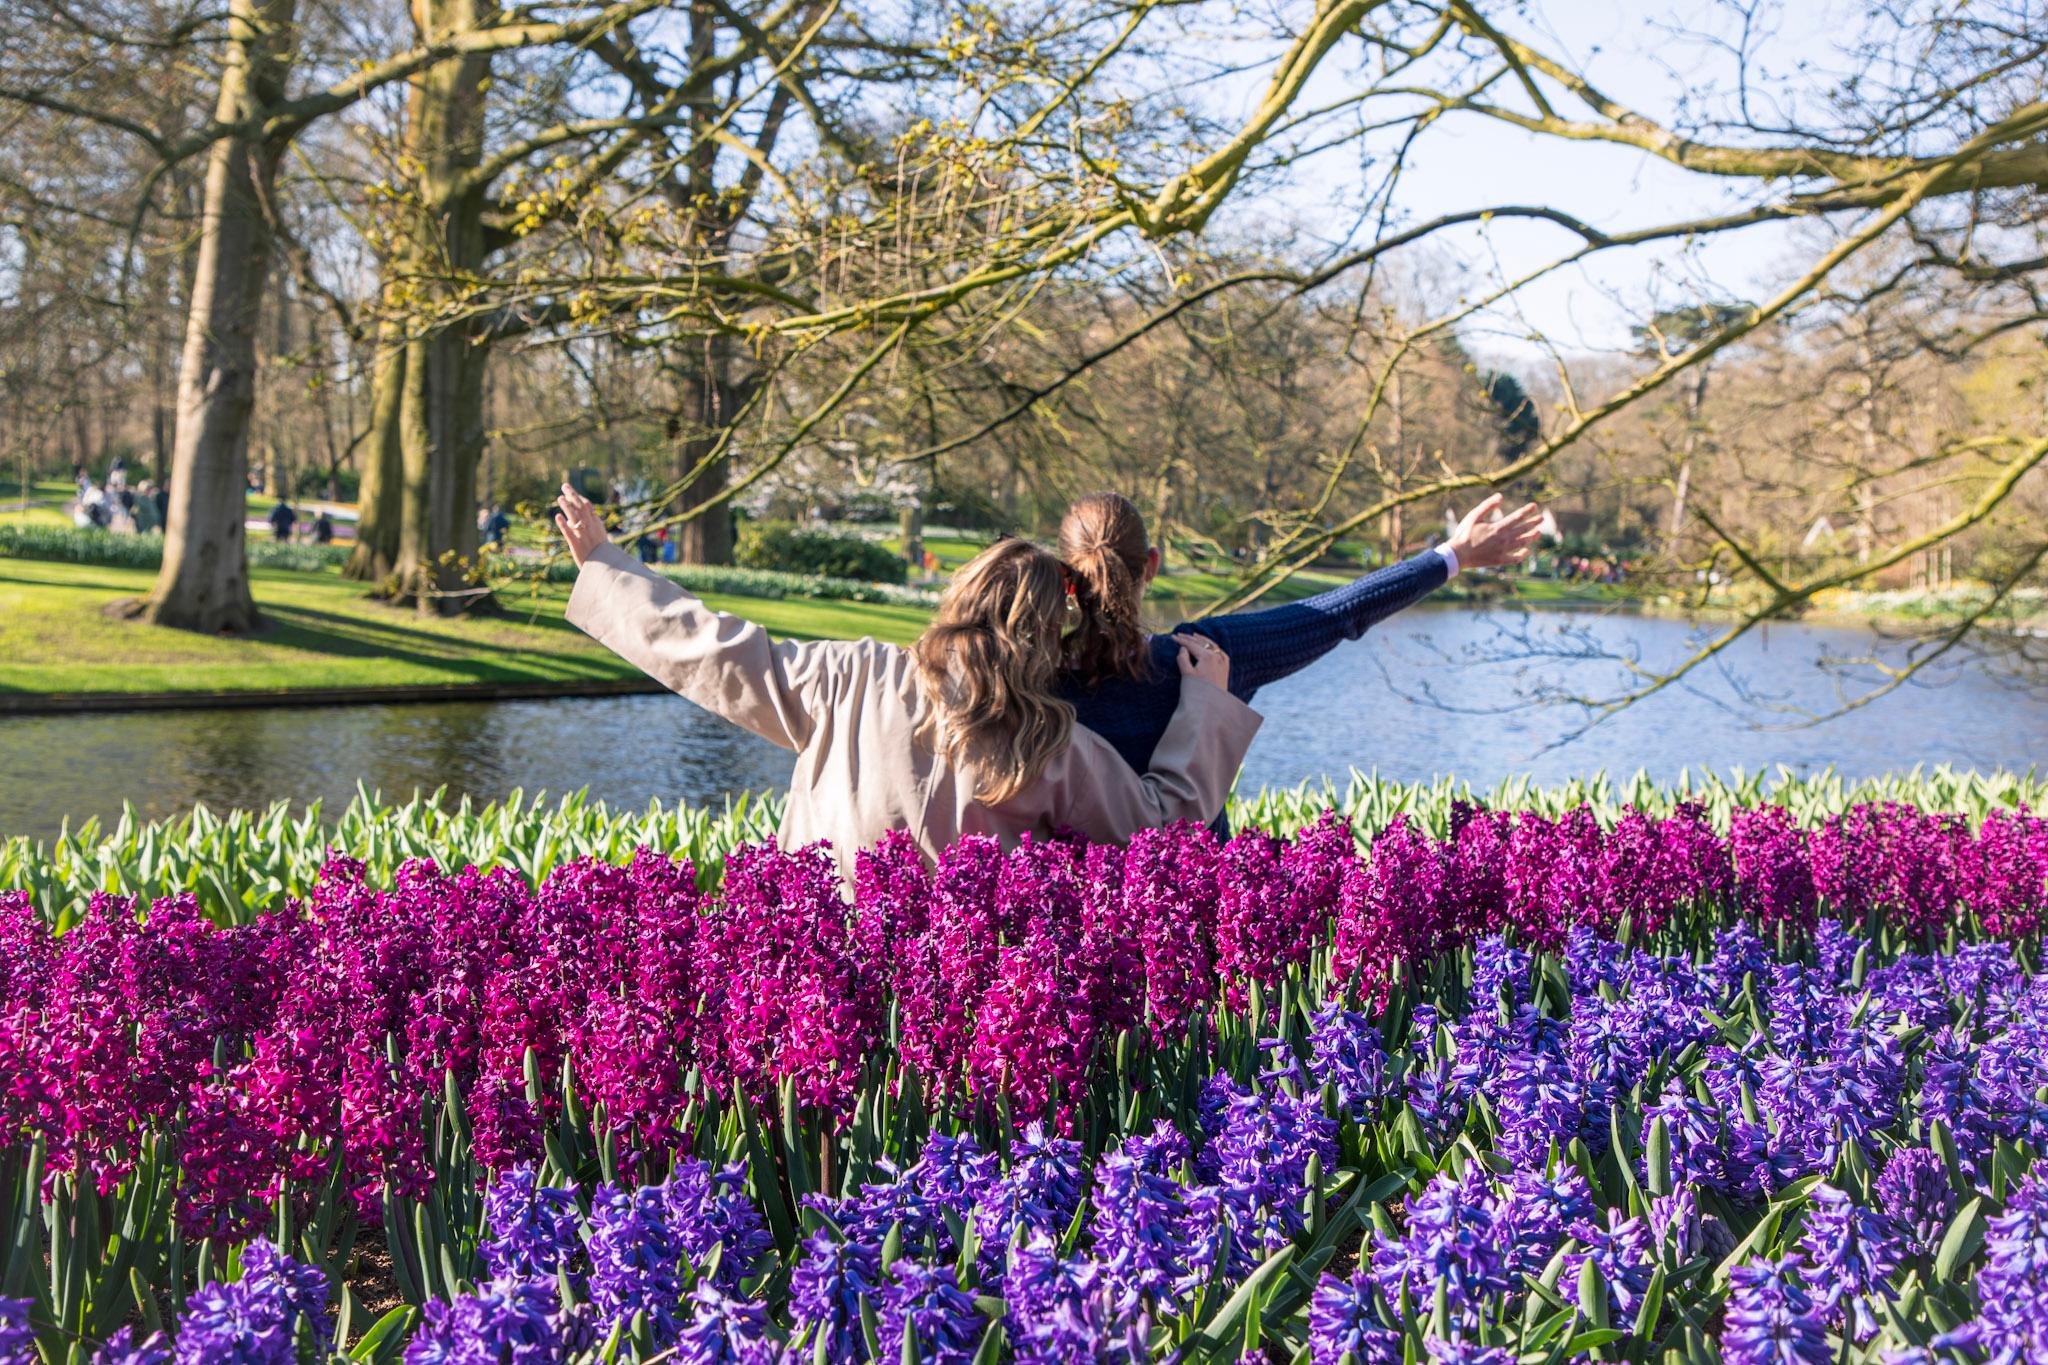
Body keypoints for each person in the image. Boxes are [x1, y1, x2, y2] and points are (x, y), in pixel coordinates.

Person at [554, 482, 1261, 884]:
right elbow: (1165, 822)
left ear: (959, 596)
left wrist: (610, 569)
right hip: (950, 1000)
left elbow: (709, 652)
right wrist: (1204, 702)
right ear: (1048, 635)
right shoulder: (1050, 744)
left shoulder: (851, 675)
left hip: (810, 963)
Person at [1056, 490, 1546, 829]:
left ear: (1066, 580)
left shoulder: (1022, 678)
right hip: (1194, 922)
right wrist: (1452, 555)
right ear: (1153, 566)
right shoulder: (1208, 657)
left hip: (1074, 946)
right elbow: (1337, 614)